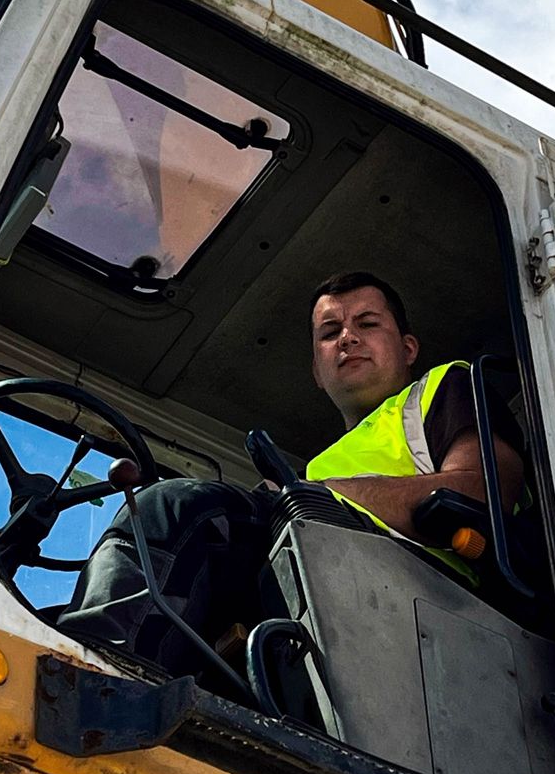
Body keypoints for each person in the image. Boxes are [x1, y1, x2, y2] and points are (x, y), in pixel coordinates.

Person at [54, 270, 524, 681]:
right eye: (330, 332)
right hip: (317, 587)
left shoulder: (442, 389)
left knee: (174, 507)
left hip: (426, 600)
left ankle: (97, 674)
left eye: (367, 324)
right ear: (317, 371)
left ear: (407, 348)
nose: (347, 338)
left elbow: (482, 492)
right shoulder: (314, 470)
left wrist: (314, 497)